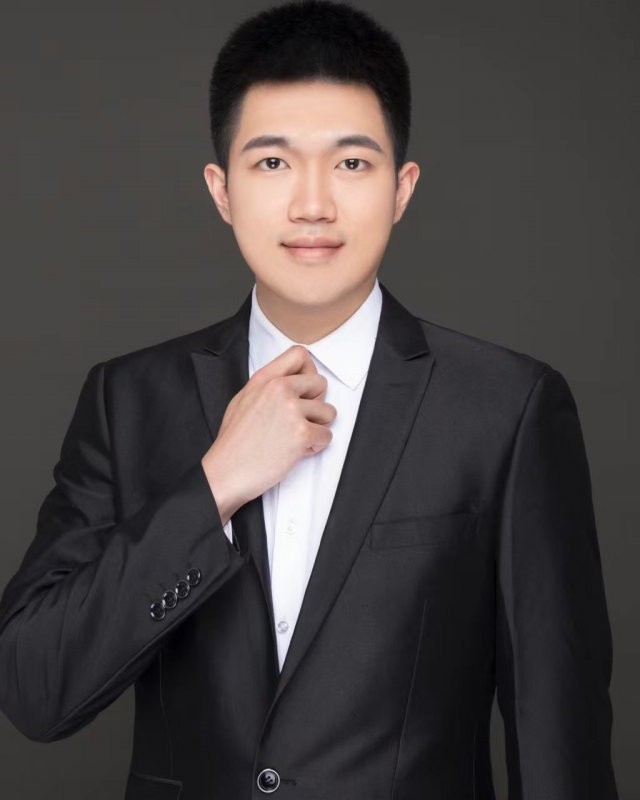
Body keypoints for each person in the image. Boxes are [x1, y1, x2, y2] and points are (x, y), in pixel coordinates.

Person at [0, 1, 618, 798]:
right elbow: (34, 687)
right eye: (272, 163)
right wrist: (214, 487)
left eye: (352, 163)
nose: (313, 205)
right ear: (222, 190)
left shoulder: (507, 409)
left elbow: (559, 738)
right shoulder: (128, 401)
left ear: (402, 188)